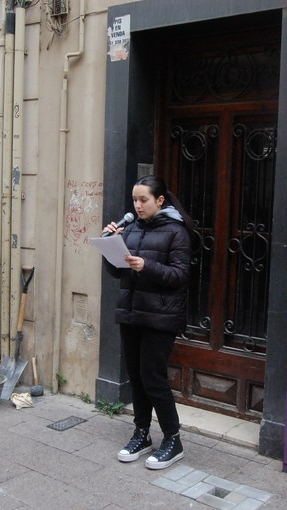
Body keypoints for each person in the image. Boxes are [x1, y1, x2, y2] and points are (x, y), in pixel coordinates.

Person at [102, 175, 194, 470]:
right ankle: (141, 433)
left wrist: (148, 266)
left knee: (153, 378)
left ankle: (172, 438)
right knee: (137, 377)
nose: (138, 206)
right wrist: (109, 245)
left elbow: (180, 276)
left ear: (160, 201)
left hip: (160, 317)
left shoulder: (176, 232)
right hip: (131, 312)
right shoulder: (129, 227)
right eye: (135, 200)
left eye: (144, 200)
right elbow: (118, 272)